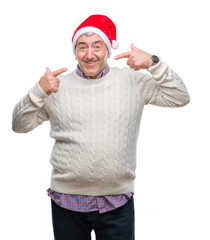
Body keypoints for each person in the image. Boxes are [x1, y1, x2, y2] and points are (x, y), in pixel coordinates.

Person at [12, 14, 190, 240]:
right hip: (66, 202)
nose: (89, 54)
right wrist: (37, 91)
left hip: (116, 201)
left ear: (107, 49)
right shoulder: (57, 87)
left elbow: (180, 97)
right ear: (75, 51)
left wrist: (154, 63)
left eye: (97, 46)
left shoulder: (133, 81)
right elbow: (19, 125)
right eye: (82, 47)